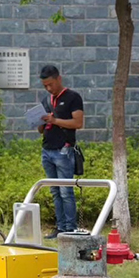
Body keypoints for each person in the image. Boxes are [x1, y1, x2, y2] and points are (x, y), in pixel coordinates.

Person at [37, 64, 84, 237]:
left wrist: (55, 120)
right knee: (55, 191)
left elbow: (78, 123)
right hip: (47, 149)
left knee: (66, 192)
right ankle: (60, 227)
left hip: (64, 150)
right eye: (45, 86)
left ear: (59, 79)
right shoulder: (46, 100)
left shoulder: (72, 97)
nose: (49, 88)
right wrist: (40, 121)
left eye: (51, 84)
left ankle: (70, 228)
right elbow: (40, 130)